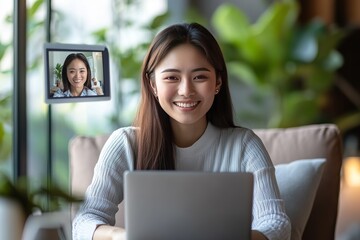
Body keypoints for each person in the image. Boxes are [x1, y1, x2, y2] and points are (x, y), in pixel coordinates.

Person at [72, 22, 291, 240]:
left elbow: (276, 224)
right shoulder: (126, 143)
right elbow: (84, 222)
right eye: (171, 77)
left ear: (218, 81)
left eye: (200, 77)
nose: (186, 90)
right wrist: (124, 236)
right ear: (153, 85)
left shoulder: (244, 145)